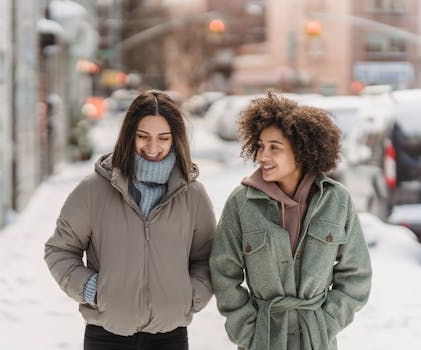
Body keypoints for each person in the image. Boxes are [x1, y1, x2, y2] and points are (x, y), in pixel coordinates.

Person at [44, 89, 216, 350]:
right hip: (106, 337)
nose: (153, 147)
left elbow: (207, 257)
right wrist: (93, 290)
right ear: (128, 136)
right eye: (143, 136)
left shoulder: (192, 195)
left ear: (175, 139)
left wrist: (190, 296)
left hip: (170, 337)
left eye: (163, 138)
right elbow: (59, 250)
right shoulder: (94, 189)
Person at [209, 91, 372, 350]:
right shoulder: (241, 203)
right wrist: (248, 331)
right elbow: (222, 271)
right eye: (260, 146)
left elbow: (356, 275)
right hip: (262, 340)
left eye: (274, 147)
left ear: (302, 150)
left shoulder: (336, 201)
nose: (263, 156)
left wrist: (326, 322)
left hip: (316, 341)